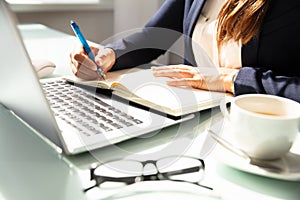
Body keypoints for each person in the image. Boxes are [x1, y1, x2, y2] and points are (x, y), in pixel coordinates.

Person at [70, 0, 300, 103]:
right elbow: (154, 35)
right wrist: (109, 55)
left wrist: (231, 79)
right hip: (188, 113)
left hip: (259, 127)